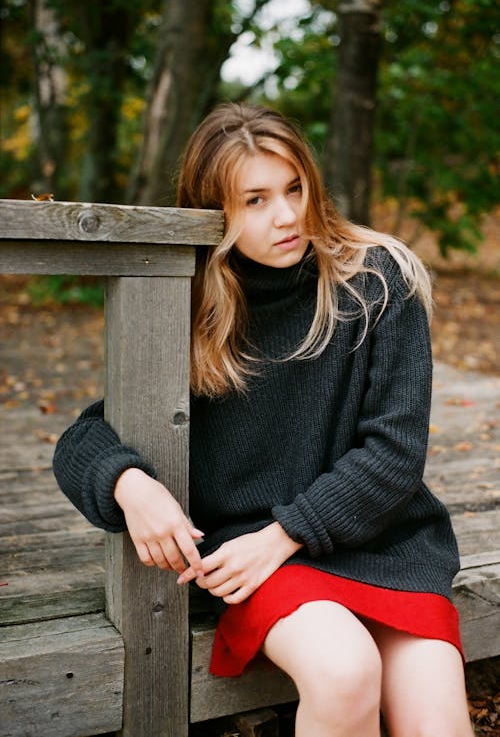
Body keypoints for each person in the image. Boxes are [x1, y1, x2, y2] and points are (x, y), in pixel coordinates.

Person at [53, 103, 473, 737]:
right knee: (345, 672)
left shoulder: (379, 280)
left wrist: (285, 533)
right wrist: (129, 484)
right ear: (216, 211)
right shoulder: (190, 304)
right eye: (254, 200)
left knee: (438, 724)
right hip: (258, 559)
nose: (287, 216)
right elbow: (83, 437)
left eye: (295, 188)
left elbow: (393, 454)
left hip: (380, 542)